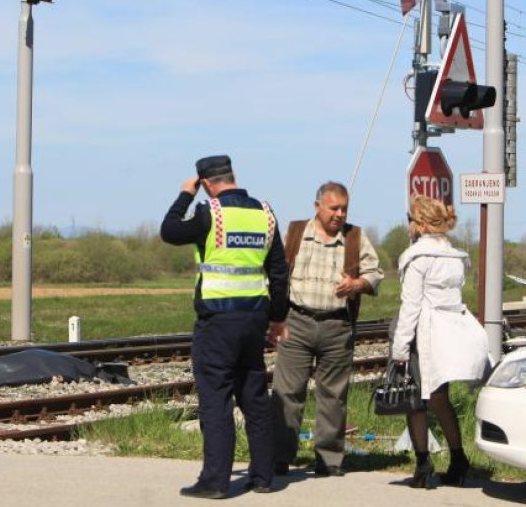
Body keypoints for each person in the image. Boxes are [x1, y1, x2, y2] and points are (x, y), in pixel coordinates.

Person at [160, 155, 289, 499]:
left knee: (216, 399)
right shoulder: (265, 213)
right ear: (233, 176)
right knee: (254, 396)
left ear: (205, 183)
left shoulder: (209, 213)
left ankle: (215, 481)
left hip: (217, 321)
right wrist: (278, 318)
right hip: (254, 319)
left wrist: (184, 196)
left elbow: (169, 230)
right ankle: (263, 477)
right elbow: (278, 271)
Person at [271, 181, 384, 477]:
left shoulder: (355, 237)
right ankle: (279, 457)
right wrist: (275, 319)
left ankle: (329, 460)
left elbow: (376, 274)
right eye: (334, 208)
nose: (339, 214)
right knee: (286, 392)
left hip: (337, 325)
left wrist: (358, 284)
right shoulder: (295, 233)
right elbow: (276, 274)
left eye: (344, 208)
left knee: (333, 395)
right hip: (296, 322)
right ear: (317, 206)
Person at [390, 195, 490, 489]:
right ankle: (458, 458)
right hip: (448, 334)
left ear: (419, 224)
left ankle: (423, 465)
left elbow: (411, 306)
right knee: (440, 398)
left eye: (410, 219)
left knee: (415, 401)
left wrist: (399, 348)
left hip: (424, 335)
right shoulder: (456, 257)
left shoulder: (417, 258)